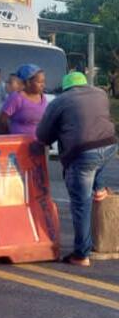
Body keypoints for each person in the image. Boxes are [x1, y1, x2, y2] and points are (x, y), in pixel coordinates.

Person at [36, 71, 118, 267]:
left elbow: (43, 135)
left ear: (66, 88)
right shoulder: (100, 93)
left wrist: (58, 131)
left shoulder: (59, 102)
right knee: (97, 164)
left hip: (82, 154)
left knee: (81, 205)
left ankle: (81, 254)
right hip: (109, 146)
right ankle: (99, 189)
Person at [0, 64, 48, 138]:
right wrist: (8, 136)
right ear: (28, 82)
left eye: (43, 82)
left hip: (38, 144)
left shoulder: (43, 98)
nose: (43, 85)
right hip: (18, 145)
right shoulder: (16, 97)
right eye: (39, 82)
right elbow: (1, 120)